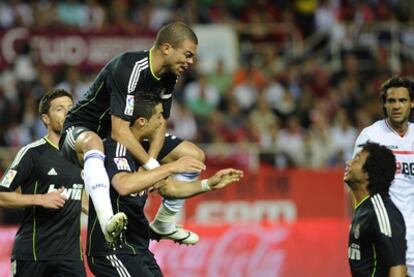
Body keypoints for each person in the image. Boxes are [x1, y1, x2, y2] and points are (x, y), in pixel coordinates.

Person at [59, 21, 205, 244]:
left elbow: (159, 120)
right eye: (187, 54)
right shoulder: (130, 68)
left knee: (194, 156)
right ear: (167, 48)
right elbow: (119, 131)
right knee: (94, 143)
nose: (191, 61)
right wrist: (154, 168)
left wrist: (152, 163)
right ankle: (107, 219)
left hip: (125, 135)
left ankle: (164, 222)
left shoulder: (169, 75)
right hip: (83, 131)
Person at [86, 92, 243, 276]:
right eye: (159, 116)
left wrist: (208, 184)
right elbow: (124, 184)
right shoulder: (116, 147)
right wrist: (172, 167)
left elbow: (170, 188)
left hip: (138, 248)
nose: (163, 122)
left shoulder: (145, 153)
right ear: (142, 122)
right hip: (112, 250)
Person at [0, 89, 87, 277]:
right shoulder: (32, 153)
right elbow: (2, 196)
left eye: (71, 108)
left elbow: (82, 196)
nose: (67, 113)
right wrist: (40, 198)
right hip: (33, 255)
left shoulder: (82, 155)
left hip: (71, 258)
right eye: (59, 109)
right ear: (45, 118)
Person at [353, 76, 414, 276]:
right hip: (385, 233)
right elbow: (355, 182)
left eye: (402, 100)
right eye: (391, 101)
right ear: (384, 105)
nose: (397, 106)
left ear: (412, 103)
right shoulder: (372, 136)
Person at [345, 142, 406, 276]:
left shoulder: (382, 213)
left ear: (367, 174)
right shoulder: (364, 208)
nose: (348, 162)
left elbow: (398, 269)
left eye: (356, 159)